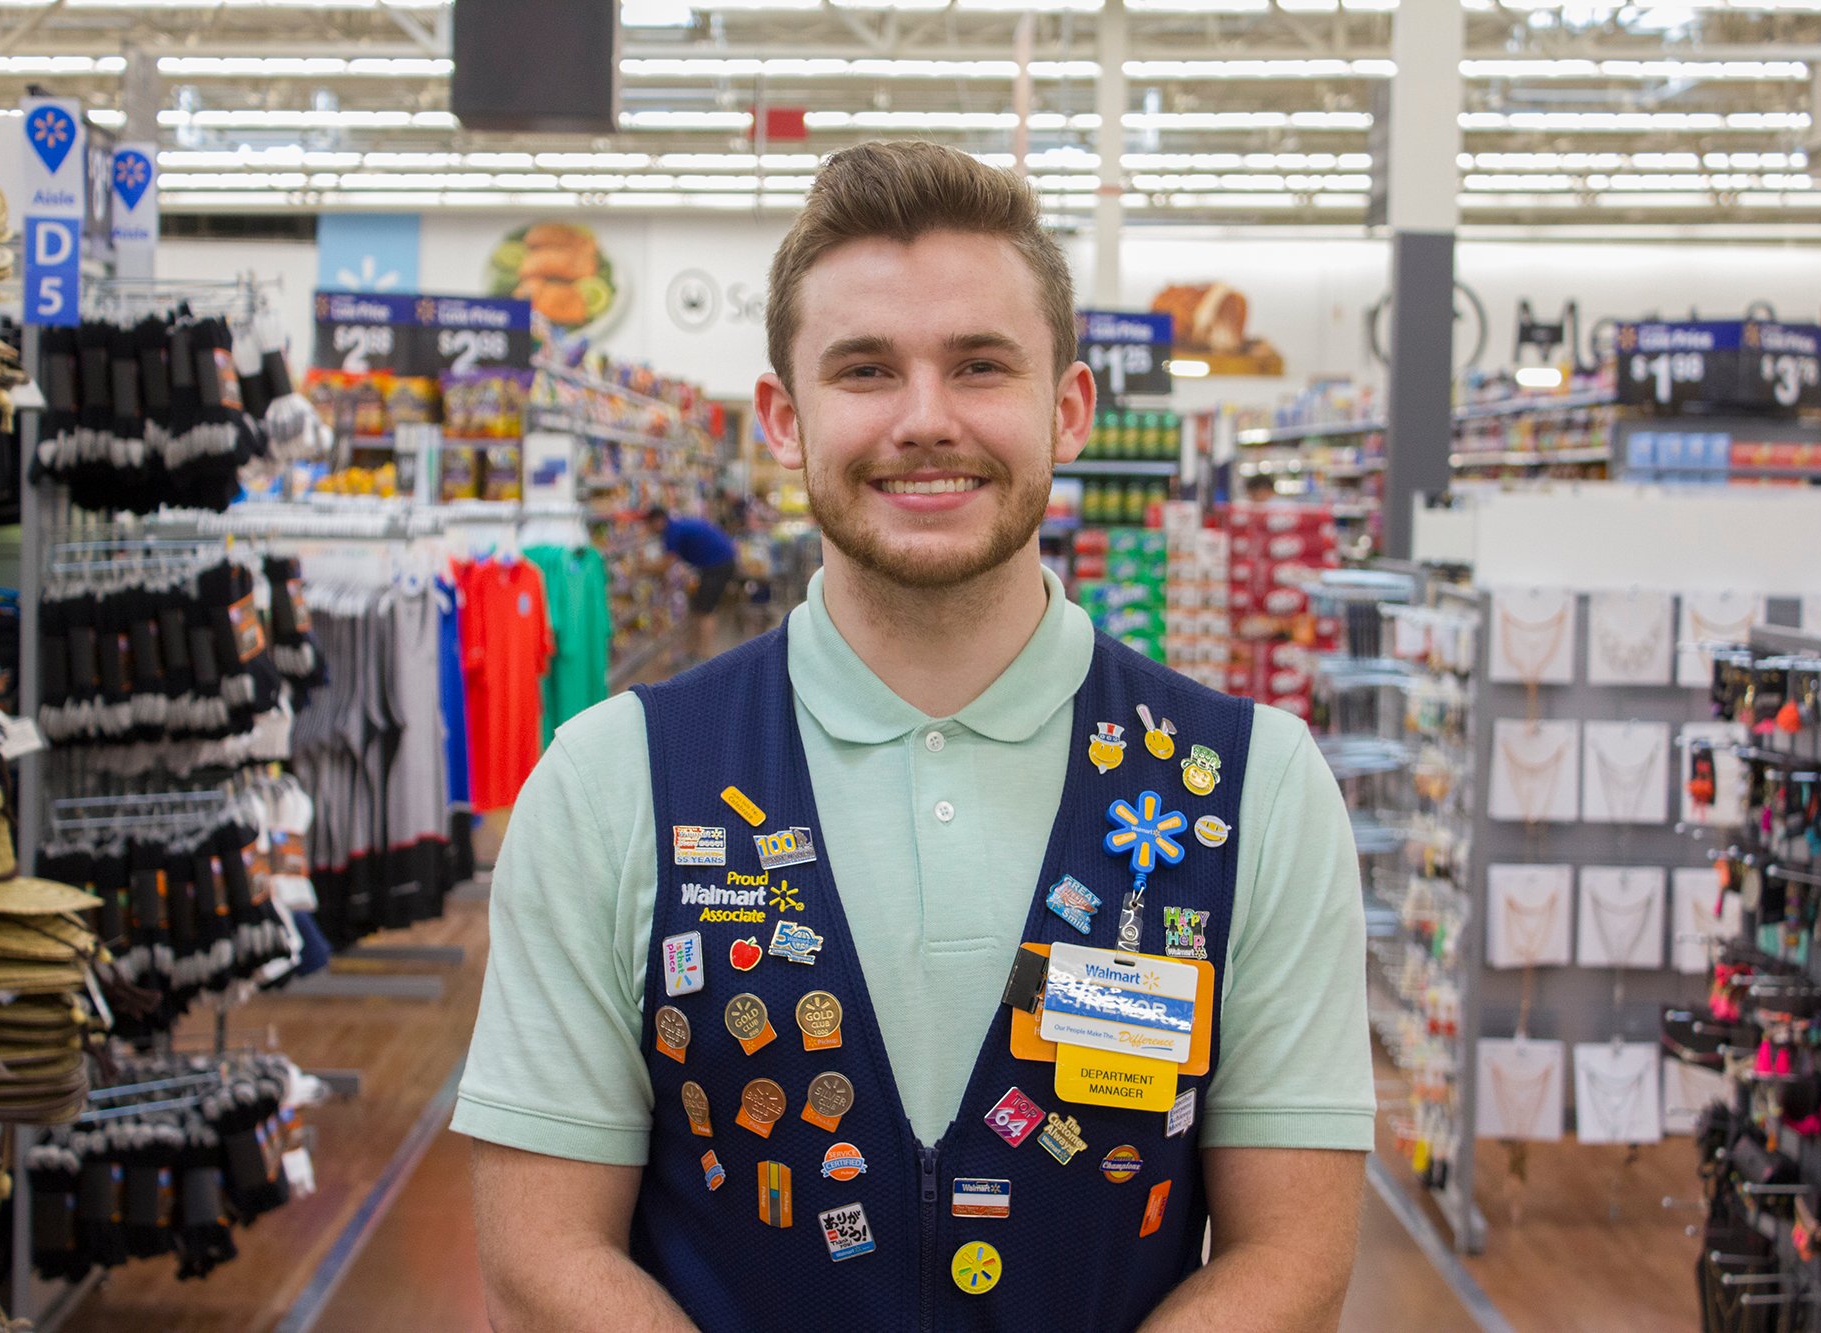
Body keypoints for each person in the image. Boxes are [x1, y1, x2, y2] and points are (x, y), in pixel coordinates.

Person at [456, 141, 1373, 1332]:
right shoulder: (610, 781)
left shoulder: (1250, 788)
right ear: (783, 419)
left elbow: (1292, 1256)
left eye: (979, 366)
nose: (925, 420)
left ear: (1067, 409)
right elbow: (540, 1259)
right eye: (865, 370)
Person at [644, 505, 737, 662]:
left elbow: (667, 563)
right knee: (699, 608)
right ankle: (696, 651)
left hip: (718, 565)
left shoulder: (672, 531)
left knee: (705, 610)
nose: (649, 529)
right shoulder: (678, 525)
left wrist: (643, 568)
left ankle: (704, 656)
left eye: (649, 525)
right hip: (717, 563)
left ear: (658, 521)